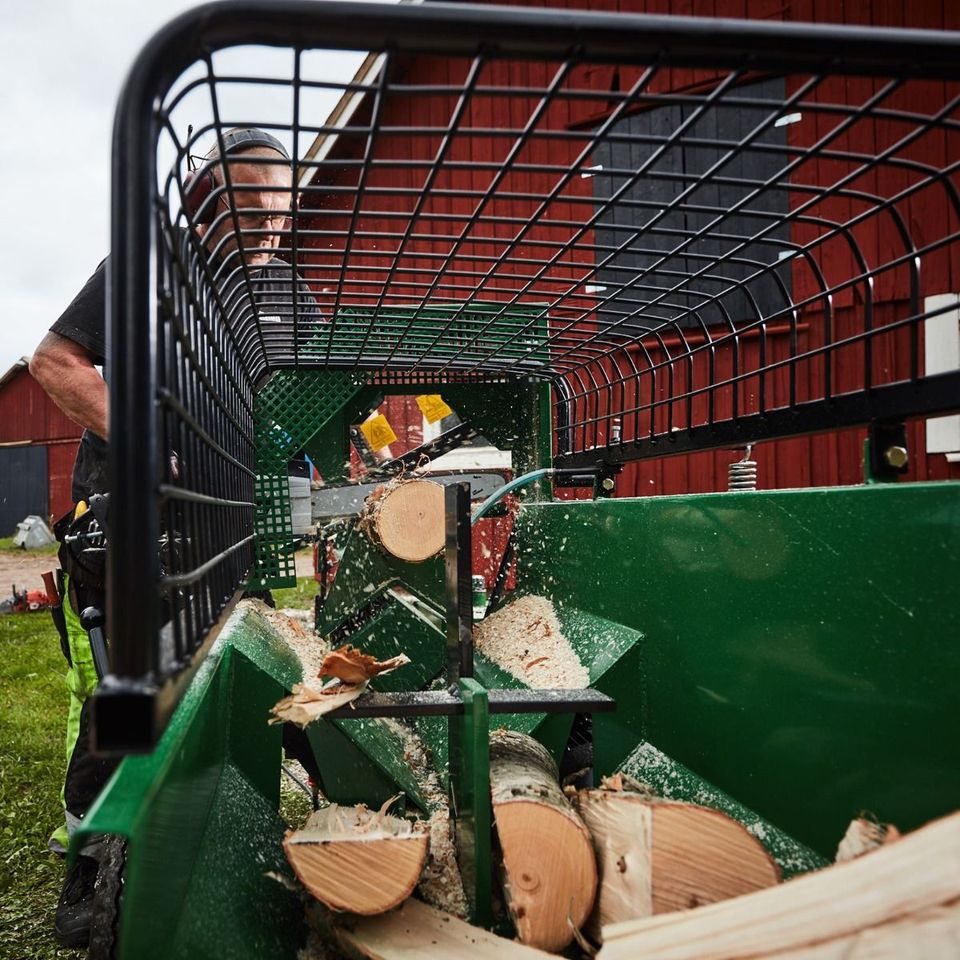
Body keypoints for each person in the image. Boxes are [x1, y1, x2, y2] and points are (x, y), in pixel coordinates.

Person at [29, 126, 310, 948]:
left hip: (230, 522)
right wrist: (147, 447)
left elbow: (299, 402)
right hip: (134, 517)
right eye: (249, 207)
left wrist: (318, 462)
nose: (269, 225)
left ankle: (231, 825)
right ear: (201, 202)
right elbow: (55, 362)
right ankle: (90, 852)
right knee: (132, 692)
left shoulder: (289, 291)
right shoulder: (143, 269)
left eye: (280, 208)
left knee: (246, 668)